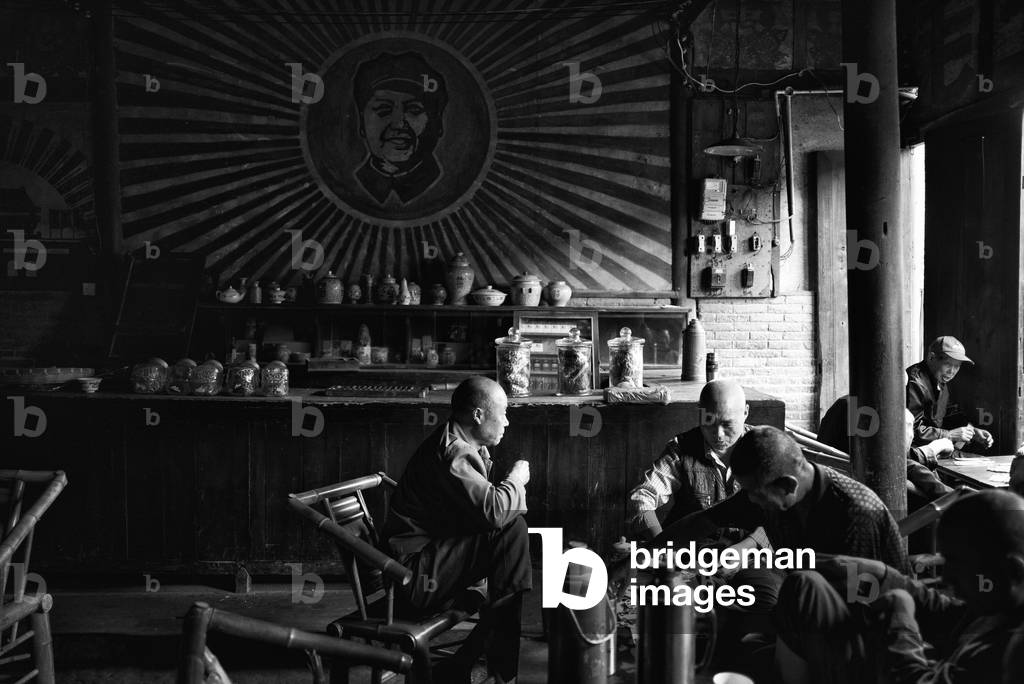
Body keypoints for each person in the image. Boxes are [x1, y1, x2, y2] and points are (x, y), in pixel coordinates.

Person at [772, 489, 1024, 683]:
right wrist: (883, 577)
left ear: (1011, 570)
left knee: (802, 597)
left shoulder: (1014, 652)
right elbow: (951, 616)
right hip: (912, 661)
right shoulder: (999, 604)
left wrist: (901, 620)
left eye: (957, 564)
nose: (947, 577)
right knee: (806, 587)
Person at [382, 376, 530, 684]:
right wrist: (516, 479)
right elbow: (495, 511)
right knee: (511, 529)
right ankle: (495, 668)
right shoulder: (454, 452)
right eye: (501, 413)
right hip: (414, 579)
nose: (506, 421)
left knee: (510, 536)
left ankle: (477, 664)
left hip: (430, 566)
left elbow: (483, 515)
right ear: (477, 415)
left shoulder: (464, 445)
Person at [655, 426, 908, 573]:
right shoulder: (766, 493)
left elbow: (863, 605)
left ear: (788, 485)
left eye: (756, 494)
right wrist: (637, 558)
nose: (750, 500)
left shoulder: (855, 514)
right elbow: (703, 521)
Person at [628, 379, 751, 540]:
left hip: (750, 555)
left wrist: (748, 546)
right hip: (690, 553)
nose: (718, 434)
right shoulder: (682, 448)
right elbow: (642, 496)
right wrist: (662, 545)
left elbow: (781, 510)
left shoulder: (763, 447)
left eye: (727, 424)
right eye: (709, 421)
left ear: (745, 413)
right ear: (700, 412)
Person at [352, 51, 447, 205]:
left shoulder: (448, 189)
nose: (398, 123)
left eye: (414, 110)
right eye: (383, 109)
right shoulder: (352, 186)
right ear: (362, 123)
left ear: (438, 122)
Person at [817, 397, 954, 502]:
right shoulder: (873, 410)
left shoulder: (844, 402)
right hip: (866, 484)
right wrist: (934, 448)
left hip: (837, 472)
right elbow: (898, 457)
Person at [906, 336, 993, 451]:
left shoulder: (939, 379)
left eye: (957, 366)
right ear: (931, 357)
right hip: (914, 453)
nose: (951, 372)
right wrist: (949, 435)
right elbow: (911, 431)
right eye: (947, 364)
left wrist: (972, 431)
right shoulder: (915, 382)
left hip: (936, 449)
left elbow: (949, 413)